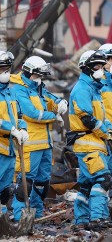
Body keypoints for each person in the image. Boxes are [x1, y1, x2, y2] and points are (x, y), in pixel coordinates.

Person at [10, 55, 66, 220]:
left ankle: (37, 212)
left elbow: (51, 98)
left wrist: (60, 102)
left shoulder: (39, 87)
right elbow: (32, 114)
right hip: (30, 143)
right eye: (37, 75)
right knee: (25, 182)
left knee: (42, 182)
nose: (39, 79)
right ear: (28, 73)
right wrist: (54, 115)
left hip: (45, 144)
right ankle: (19, 216)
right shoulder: (18, 89)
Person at [67, 50, 112, 226]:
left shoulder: (94, 89)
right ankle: (97, 218)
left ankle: (81, 220)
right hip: (88, 143)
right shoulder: (82, 89)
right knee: (103, 179)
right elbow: (87, 119)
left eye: (102, 66)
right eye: (97, 66)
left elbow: (101, 119)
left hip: (95, 142)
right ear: (86, 67)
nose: (101, 70)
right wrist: (106, 133)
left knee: (87, 185)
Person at [0, 51, 28, 217]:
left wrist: (22, 128)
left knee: (6, 190)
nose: (5, 73)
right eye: (2, 69)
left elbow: (19, 115)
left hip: (9, 149)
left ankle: (3, 221)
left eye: (7, 69)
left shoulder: (11, 92)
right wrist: (11, 129)